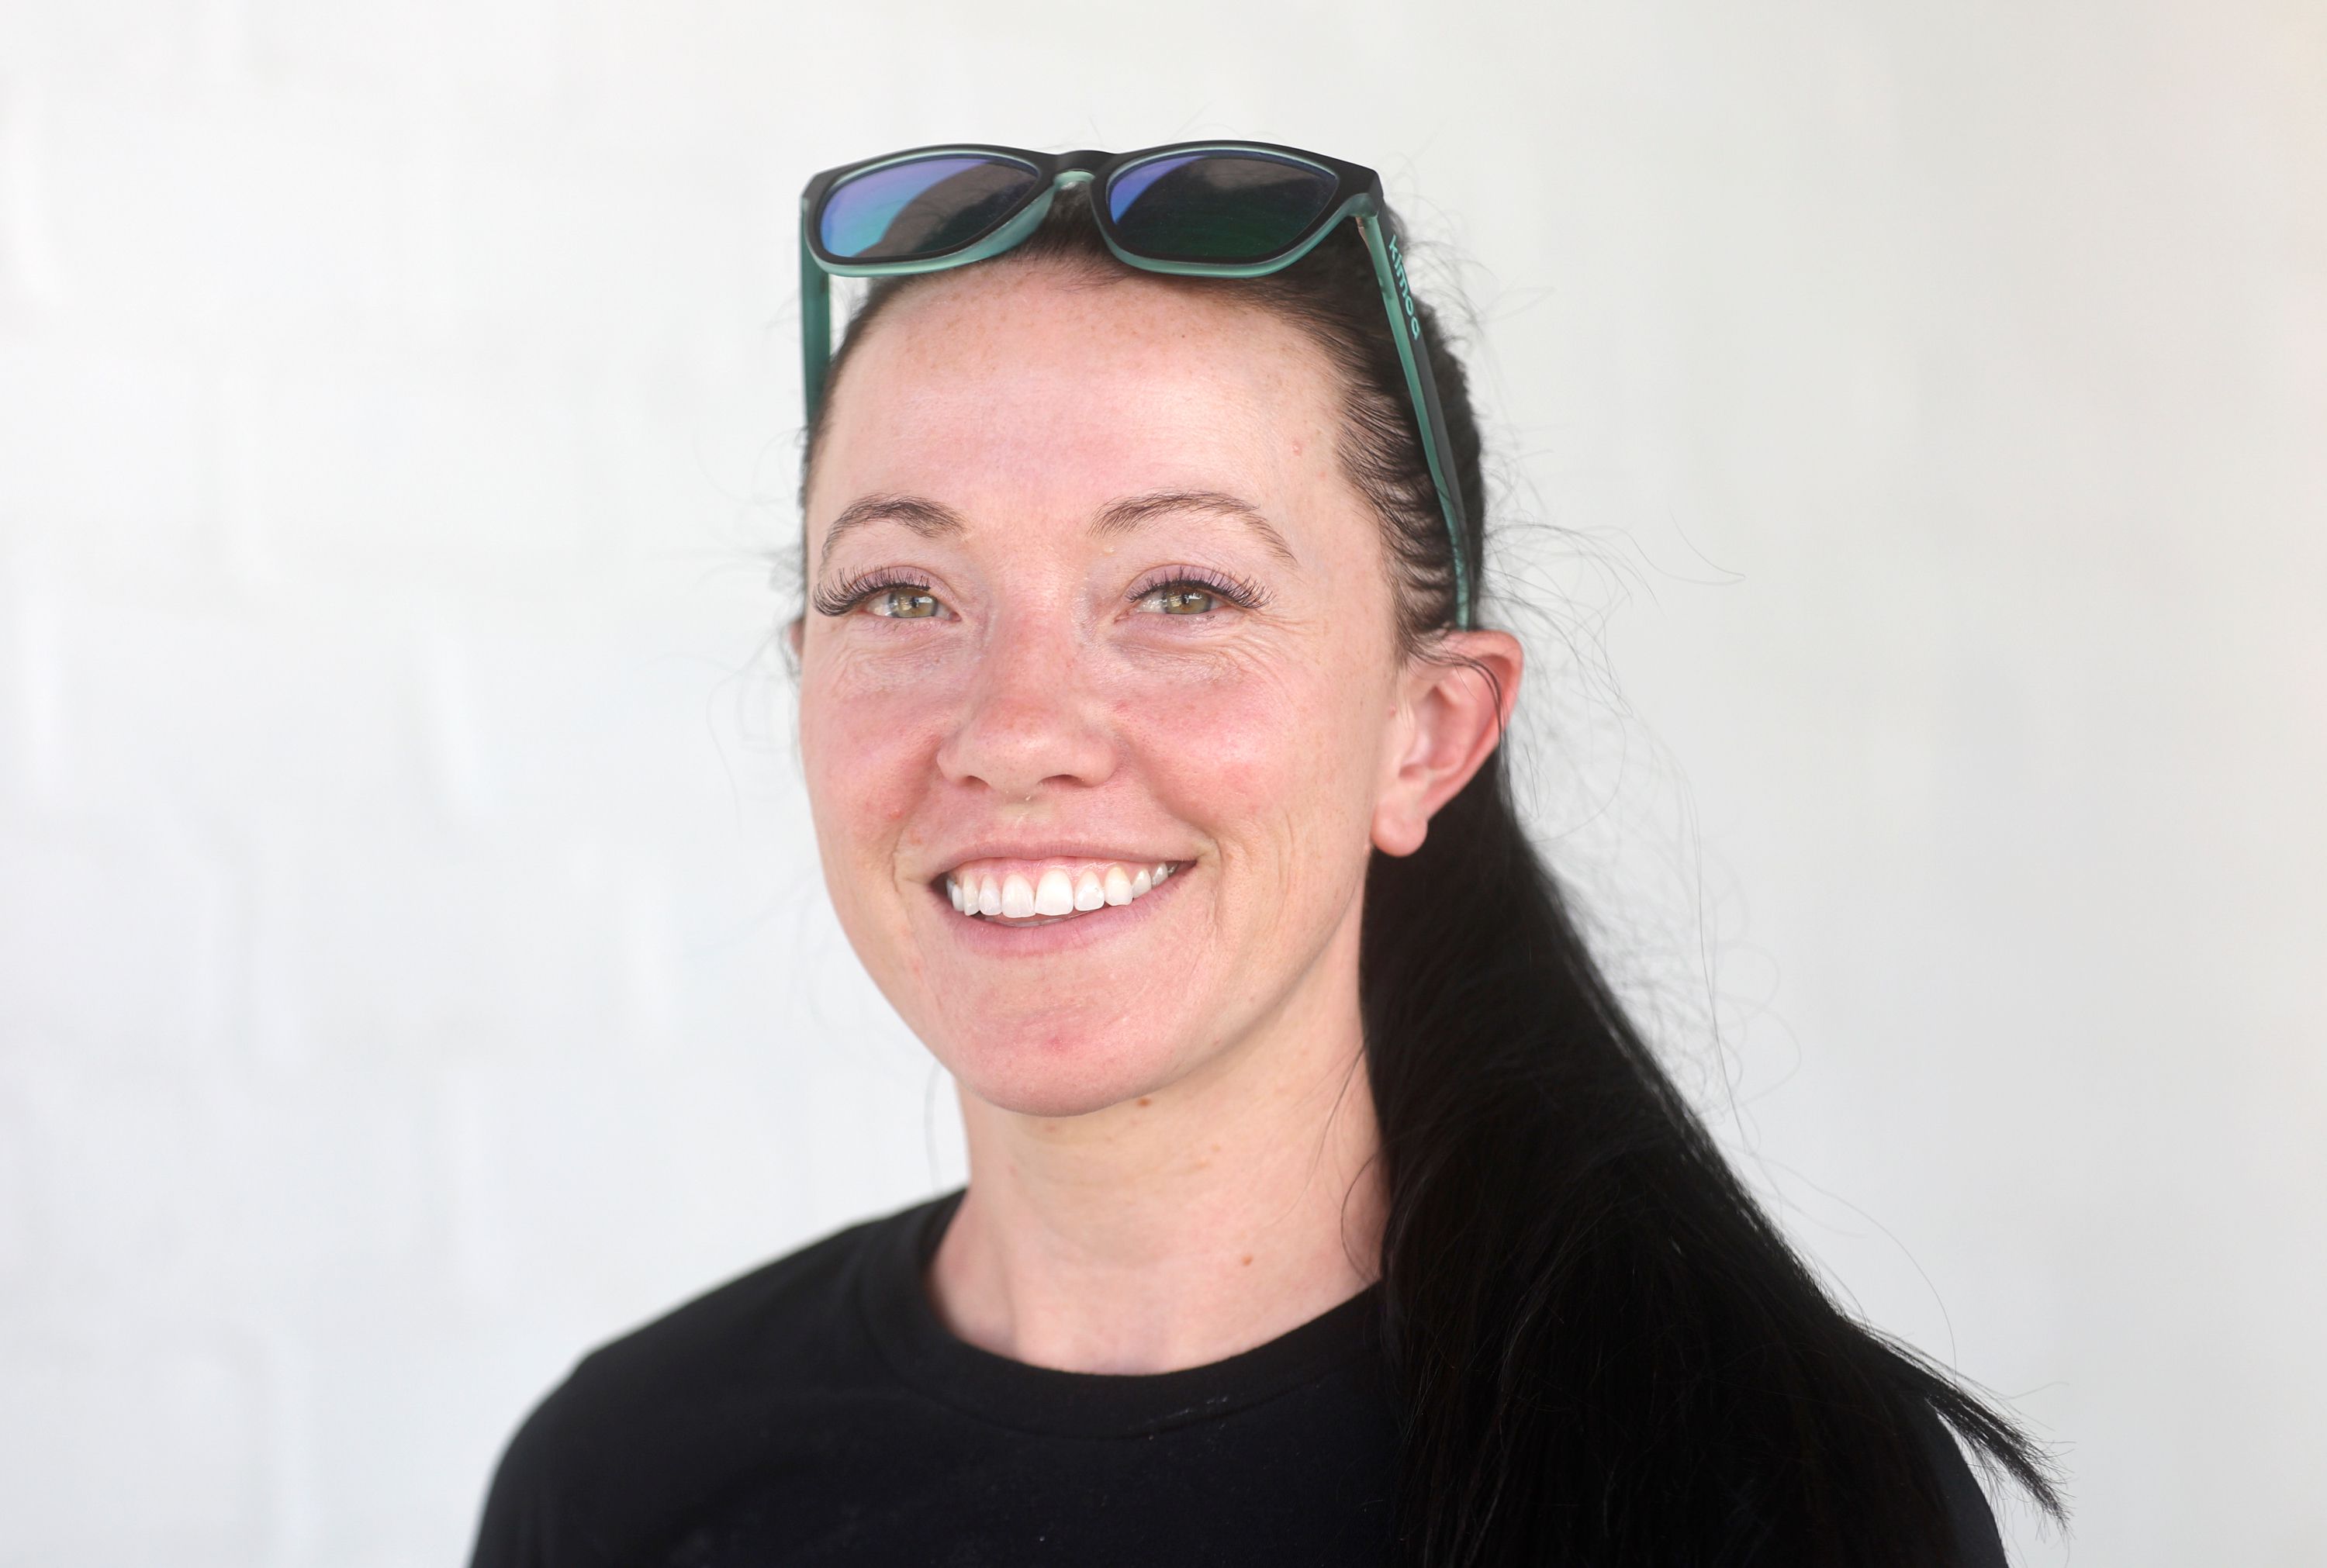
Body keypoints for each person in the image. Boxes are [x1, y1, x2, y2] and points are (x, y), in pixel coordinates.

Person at [468, 141, 2061, 1566]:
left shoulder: (1767, 1502)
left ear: (1426, 732)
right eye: (901, 595)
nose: (1017, 729)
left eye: (1183, 594)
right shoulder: (625, 1479)